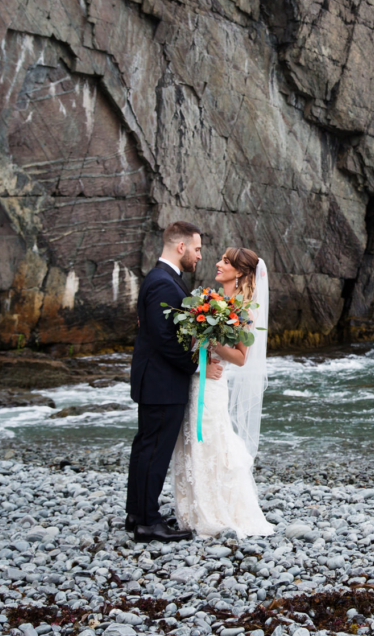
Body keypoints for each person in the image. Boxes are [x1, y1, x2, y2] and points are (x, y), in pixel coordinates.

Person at [126, 221, 223, 542]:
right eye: (196, 249)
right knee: (154, 450)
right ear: (180, 247)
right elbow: (165, 339)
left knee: (146, 447)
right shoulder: (164, 284)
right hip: (161, 383)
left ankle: (137, 512)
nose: (198, 256)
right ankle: (146, 522)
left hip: (156, 380)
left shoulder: (163, 280)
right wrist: (196, 365)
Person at [170, 247, 273, 538]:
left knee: (210, 441)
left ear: (239, 272)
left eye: (225, 262)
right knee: (190, 440)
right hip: (196, 376)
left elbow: (241, 357)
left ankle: (216, 509)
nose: (217, 264)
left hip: (213, 384)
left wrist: (210, 341)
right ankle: (190, 510)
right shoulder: (212, 301)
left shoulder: (245, 308)